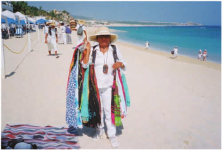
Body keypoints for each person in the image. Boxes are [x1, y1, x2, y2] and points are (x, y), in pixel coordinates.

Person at [82, 27, 127, 148]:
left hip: (109, 87)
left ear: (109, 39)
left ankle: (112, 135)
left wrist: (120, 64)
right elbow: (85, 65)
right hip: (95, 87)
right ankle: (99, 130)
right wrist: (87, 50)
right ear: (97, 38)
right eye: (101, 37)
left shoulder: (115, 49)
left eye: (106, 36)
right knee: (98, 110)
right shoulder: (93, 50)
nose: (103, 39)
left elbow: (124, 64)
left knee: (109, 110)